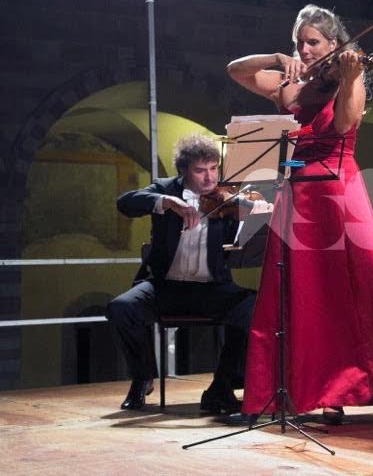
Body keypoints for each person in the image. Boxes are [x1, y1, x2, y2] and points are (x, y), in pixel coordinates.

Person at [226, 4, 373, 424]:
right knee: (300, 295)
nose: (305, 50)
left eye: (313, 43)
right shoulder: (289, 84)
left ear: (334, 44)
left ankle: (339, 390)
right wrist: (276, 58)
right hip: (295, 193)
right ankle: (295, 389)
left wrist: (351, 77)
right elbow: (236, 71)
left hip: (337, 192)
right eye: (299, 43)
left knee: (339, 292)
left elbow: (343, 125)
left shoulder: (347, 80)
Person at [106, 134, 262, 412]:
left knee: (254, 307)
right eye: (200, 170)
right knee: (121, 308)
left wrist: (253, 213)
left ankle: (221, 388)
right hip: (164, 287)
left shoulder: (228, 198)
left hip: (211, 288)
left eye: (213, 168)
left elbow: (252, 231)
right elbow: (125, 202)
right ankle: (142, 377)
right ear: (183, 171)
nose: (209, 177)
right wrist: (167, 202)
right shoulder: (166, 188)